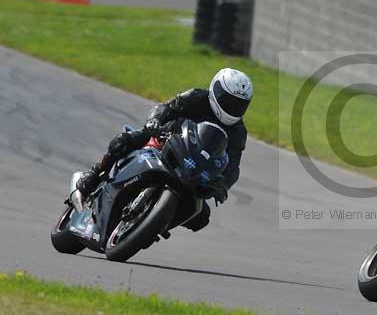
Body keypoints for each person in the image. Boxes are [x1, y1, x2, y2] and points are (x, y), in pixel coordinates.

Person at [75, 69, 252, 232]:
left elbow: (233, 166)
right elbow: (166, 107)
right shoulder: (196, 97)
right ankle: (95, 172)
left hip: (194, 168)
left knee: (201, 217)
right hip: (164, 139)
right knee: (123, 141)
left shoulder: (238, 132)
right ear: (216, 90)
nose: (233, 108)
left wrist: (223, 186)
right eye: (228, 101)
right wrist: (154, 121)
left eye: (239, 105)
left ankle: (154, 224)